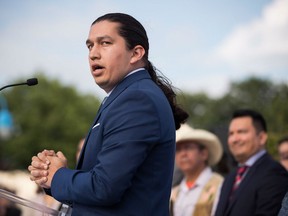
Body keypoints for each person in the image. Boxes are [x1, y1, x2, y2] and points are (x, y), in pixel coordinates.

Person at [28, 12, 188, 216]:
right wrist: (51, 177)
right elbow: (104, 189)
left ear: (136, 53)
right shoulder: (125, 97)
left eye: (105, 43)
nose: (93, 53)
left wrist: (58, 176)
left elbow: (104, 187)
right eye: (89, 46)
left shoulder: (137, 99)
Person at [214, 109, 288, 216]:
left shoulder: (274, 173)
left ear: (262, 137)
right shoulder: (230, 178)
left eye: (241, 132)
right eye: (231, 134)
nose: (235, 139)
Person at [170, 124, 223, 216]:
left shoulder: (220, 186)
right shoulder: (175, 193)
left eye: (188, 148)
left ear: (204, 154)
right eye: (178, 150)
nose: (183, 154)